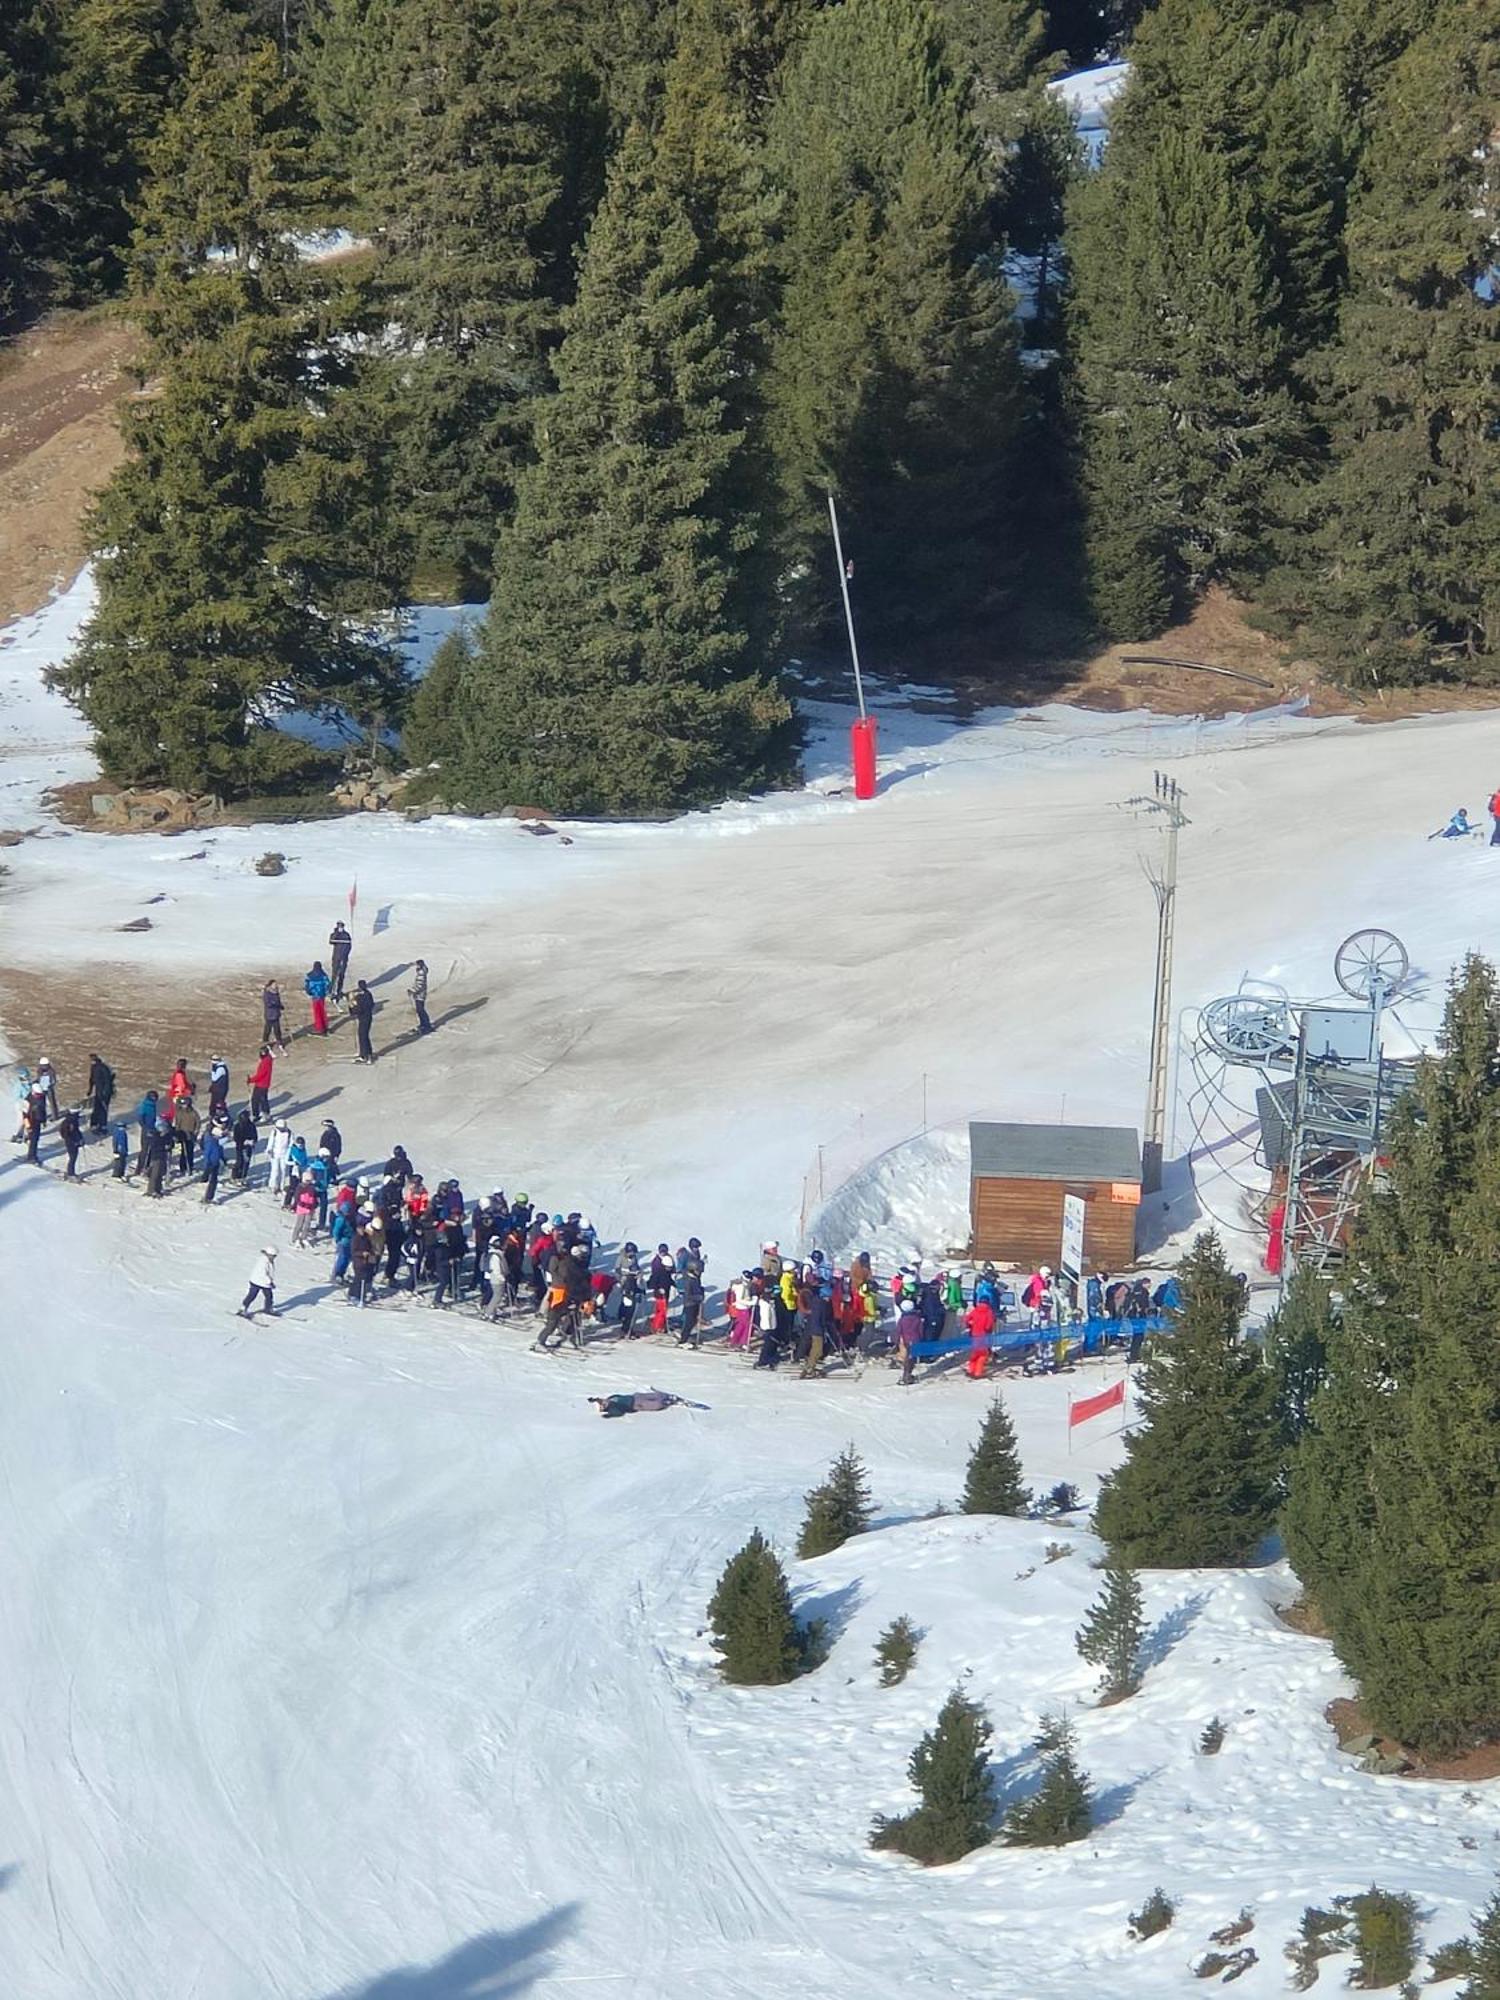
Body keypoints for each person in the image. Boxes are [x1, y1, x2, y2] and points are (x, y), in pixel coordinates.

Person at [963, 1295, 997, 1380]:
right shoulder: (989, 1312)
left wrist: (970, 1325)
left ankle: (971, 1369)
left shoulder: (975, 1310)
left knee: (975, 1353)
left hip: (974, 1334)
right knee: (982, 1355)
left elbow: (967, 1319)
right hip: (983, 1335)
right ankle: (978, 1372)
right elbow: (989, 1325)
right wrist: (987, 1329)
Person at [239, 1246, 278, 1318]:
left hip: (264, 1283)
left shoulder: (269, 1261)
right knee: (252, 1295)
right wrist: (270, 1282)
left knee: (269, 1296)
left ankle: (268, 1308)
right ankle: (243, 1309)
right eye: (273, 1256)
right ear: (268, 1254)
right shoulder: (263, 1262)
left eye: (275, 1256)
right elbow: (263, 1273)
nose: (274, 1257)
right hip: (257, 1282)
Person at [588, 1391, 688, 1418]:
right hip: (636, 1405)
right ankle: (667, 1402)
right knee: (654, 1405)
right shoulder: (614, 1407)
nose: (604, 1402)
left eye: (603, 1402)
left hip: (635, 1397)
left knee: (652, 1396)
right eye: (604, 1405)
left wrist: (595, 1400)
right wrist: (609, 1414)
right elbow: (618, 1413)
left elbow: (600, 1400)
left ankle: (665, 1396)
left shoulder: (611, 1398)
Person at [86, 1053, 115, 1134]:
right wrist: (90, 1090)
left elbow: (108, 1082)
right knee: (96, 1108)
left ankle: (102, 1126)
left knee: (103, 1110)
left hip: (104, 1092)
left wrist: (105, 1093)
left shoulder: (103, 1068)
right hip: (98, 1091)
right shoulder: (94, 1067)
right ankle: (94, 1124)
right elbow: (91, 1079)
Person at [173, 1095, 200, 1175]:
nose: (184, 1106)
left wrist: (196, 1132)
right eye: (182, 1104)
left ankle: (190, 1166)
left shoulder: (193, 1113)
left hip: (191, 1133)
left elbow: (198, 1123)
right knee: (183, 1151)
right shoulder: (179, 1113)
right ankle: (182, 1166)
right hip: (182, 1133)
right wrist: (177, 1133)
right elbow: (177, 1123)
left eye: (185, 1104)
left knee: (190, 1151)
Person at [134, 1089, 160, 1174]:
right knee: (145, 1150)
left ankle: (148, 1166)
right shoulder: (144, 1105)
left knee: (152, 1150)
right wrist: (145, 1128)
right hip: (146, 1130)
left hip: (153, 1130)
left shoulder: (153, 1105)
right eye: (153, 1097)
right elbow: (140, 1119)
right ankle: (139, 1168)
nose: (154, 1099)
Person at [304, 960, 331, 1035]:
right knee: (322, 1011)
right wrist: (326, 992)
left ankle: (320, 1028)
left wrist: (309, 992)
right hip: (321, 996)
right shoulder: (324, 975)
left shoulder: (309, 975)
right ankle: (325, 1026)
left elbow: (307, 985)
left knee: (317, 1012)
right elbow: (328, 985)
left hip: (314, 996)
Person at [232, 1105, 257, 1183]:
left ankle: (243, 1177)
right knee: (239, 1161)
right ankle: (235, 1176)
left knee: (246, 1162)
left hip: (248, 1147)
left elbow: (255, 1135)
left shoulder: (251, 1125)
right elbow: (236, 1138)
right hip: (240, 1147)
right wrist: (243, 1142)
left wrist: (252, 1141)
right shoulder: (237, 1126)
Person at [328, 921, 352, 1002]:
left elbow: (349, 946)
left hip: (344, 958)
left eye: (341, 926)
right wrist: (336, 933)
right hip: (336, 958)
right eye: (339, 926)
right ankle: (331, 991)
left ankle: (339, 991)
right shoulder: (334, 934)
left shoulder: (346, 935)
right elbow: (331, 941)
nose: (340, 928)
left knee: (341, 975)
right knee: (334, 974)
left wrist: (345, 955)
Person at [247, 1047, 274, 1122]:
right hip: (263, 1084)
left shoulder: (265, 1062)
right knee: (261, 1099)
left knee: (257, 1100)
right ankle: (262, 1114)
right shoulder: (267, 1060)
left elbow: (261, 1074)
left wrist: (251, 1080)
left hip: (261, 1084)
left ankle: (259, 1115)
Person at [352, 979, 375, 1063]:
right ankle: (368, 1052)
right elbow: (372, 1005)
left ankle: (364, 1056)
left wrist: (353, 1006)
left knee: (362, 1036)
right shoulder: (369, 994)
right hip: (369, 1017)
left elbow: (357, 1009)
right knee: (365, 1035)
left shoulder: (359, 997)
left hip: (363, 1018)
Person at [267, 1119, 293, 1195]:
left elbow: (291, 1144)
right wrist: (269, 1149)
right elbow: (271, 1141)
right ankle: (273, 1185)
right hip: (275, 1153)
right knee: (275, 1170)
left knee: (284, 1170)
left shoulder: (289, 1133)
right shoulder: (274, 1132)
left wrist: (289, 1153)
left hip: (285, 1154)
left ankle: (282, 1186)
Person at [201, 1126, 225, 1204]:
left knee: (214, 1181)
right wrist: (207, 1165)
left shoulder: (217, 1142)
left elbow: (220, 1151)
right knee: (212, 1181)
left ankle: (209, 1197)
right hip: (211, 1164)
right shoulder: (210, 1143)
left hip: (216, 1163)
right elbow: (207, 1154)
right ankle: (208, 1197)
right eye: (218, 1136)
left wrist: (223, 1159)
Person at [261, 979, 286, 1051]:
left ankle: (279, 1042)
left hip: (276, 1014)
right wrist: (276, 1004)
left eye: (276, 984)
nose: (275, 986)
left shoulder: (276, 992)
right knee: (268, 1029)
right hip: (269, 1014)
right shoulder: (267, 993)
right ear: (270, 985)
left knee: (277, 1030)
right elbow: (268, 1003)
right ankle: (265, 1041)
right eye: (274, 984)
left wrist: (281, 1006)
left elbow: (278, 1001)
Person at [57, 1105, 82, 1178]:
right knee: (72, 1157)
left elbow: (77, 1131)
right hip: (70, 1142)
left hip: (75, 1141)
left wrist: (80, 1139)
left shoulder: (74, 1120)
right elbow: (66, 1134)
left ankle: (71, 1172)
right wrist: (73, 1141)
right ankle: (70, 1173)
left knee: (74, 1157)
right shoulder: (68, 1122)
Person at [409, 959, 432, 1035]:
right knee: (419, 1010)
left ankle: (426, 1025)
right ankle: (423, 1024)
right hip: (419, 994)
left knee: (421, 1010)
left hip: (420, 995)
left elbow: (420, 984)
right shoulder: (421, 972)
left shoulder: (421, 973)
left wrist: (413, 991)